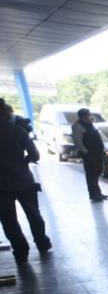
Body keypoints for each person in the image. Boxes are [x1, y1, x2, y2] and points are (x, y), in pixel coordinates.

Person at [0, 100, 52, 263]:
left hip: (1, 185)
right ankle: (42, 243)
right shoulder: (19, 131)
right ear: (7, 113)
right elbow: (35, 155)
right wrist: (24, 160)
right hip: (23, 180)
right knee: (33, 214)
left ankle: (20, 249)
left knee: (9, 220)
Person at [71, 108, 108, 202]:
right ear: (83, 116)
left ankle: (98, 192)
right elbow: (77, 141)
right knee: (91, 174)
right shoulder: (78, 126)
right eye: (89, 114)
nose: (90, 116)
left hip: (97, 153)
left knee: (98, 171)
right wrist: (85, 152)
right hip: (89, 154)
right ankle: (94, 194)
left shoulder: (90, 124)